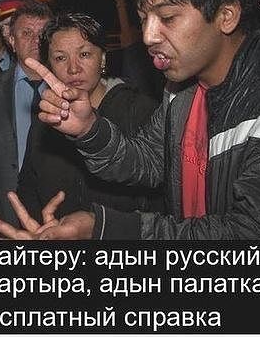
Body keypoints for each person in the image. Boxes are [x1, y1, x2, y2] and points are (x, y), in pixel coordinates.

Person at [0, 0, 260, 240]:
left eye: (167, 18)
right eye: (143, 19)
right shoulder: (181, 92)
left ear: (226, 16)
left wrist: (106, 228)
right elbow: (148, 161)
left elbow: (248, 233)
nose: (148, 36)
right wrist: (89, 130)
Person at [18, 12, 162, 222]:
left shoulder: (140, 110)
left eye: (84, 54)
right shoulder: (46, 121)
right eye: (60, 58)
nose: (73, 68)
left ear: (102, 58)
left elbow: (160, 198)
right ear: (50, 66)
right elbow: (29, 188)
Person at [0, 1, 53, 227]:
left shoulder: (71, 89)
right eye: (26, 33)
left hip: (63, 210)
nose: (36, 40)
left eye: (43, 34)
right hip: (10, 211)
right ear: (11, 40)